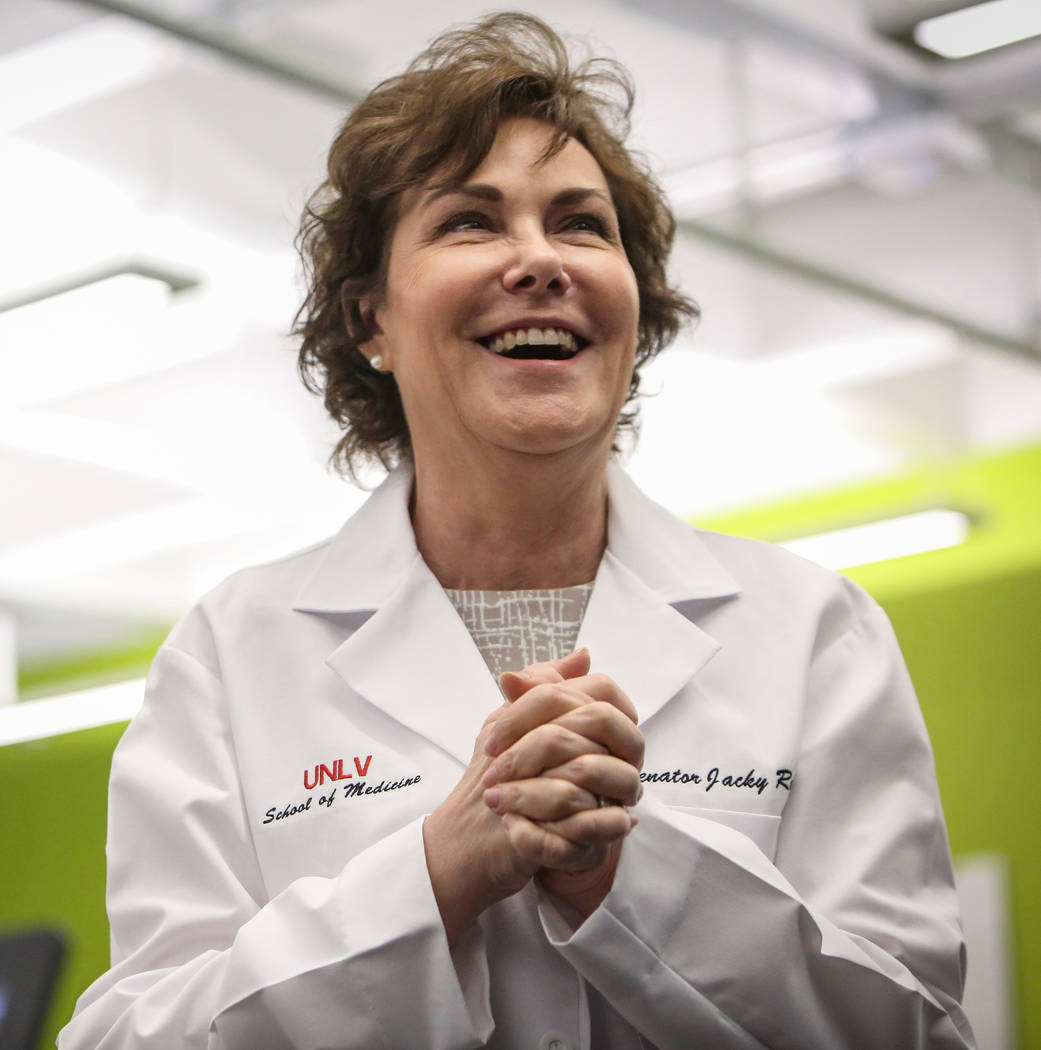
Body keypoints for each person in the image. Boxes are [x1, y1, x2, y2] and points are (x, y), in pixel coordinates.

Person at [60, 13, 976, 1050]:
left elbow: (921, 1029)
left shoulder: (813, 630)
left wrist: (630, 874)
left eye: (582, 224)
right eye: (470, 221)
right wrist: (435, 875)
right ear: (369, 321)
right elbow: (133, 1037)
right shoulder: (233, 655)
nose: (540, 259)